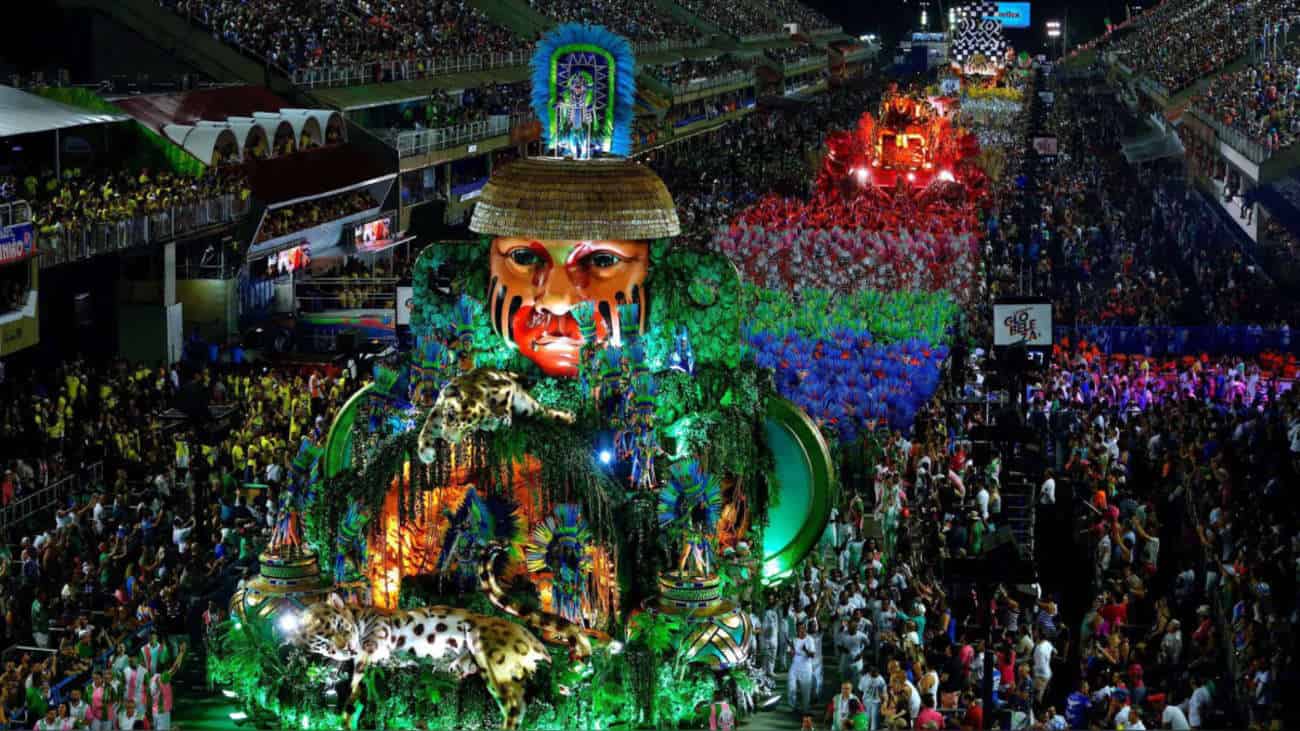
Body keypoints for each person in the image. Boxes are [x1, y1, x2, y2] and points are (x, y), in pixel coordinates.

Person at [789, 622, 818, 714]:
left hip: (806, 666)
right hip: (794, 666)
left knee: (806, 690)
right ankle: (794, 706)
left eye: (802, 628)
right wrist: (792, 652)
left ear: (805, 629)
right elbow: (790, 654)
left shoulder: (810, 639)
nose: (800, 630)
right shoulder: (793, 639)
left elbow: (812, 655)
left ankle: (806, 709)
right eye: (798, 629)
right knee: (791, 687)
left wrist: (806, 650)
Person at [859, 665, 888, 731]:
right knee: (867, 719)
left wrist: (884, 703)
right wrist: (860, 702)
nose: (875, 675)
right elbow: (860, 690)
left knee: (874, 721)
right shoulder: (864, 678)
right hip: (866, 701)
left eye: (876, 674)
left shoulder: (881, 680)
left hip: (876, 702)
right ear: (869, 673)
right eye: (873, 674)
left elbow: (884, 693)